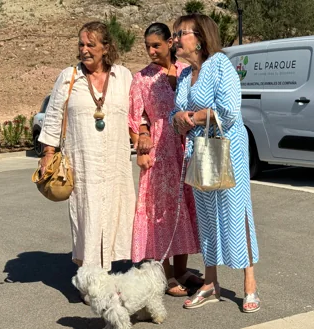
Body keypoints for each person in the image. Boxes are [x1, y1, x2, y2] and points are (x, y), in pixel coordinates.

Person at [170, 14, 261, 313]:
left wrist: (191, 117)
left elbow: (229, 111)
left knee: (236, 212)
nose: (175, 40)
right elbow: (177, 115)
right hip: (199, 150)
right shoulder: (184, 75)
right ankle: (210, 283)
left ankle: (250, 284)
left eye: (180, 33)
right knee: (206, 216)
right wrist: (178, 119)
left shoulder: (221, 65)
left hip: (226, 148)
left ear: (199, 37)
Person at [38, 22, 135, 278]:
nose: (84, 50)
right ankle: (89, 277)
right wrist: (48, 152)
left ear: (106, 48)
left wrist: (144, 136)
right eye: (81, 44)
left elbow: (137, 114)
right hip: (82, 162)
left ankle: (106, 269)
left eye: (91, 44)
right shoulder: (69, 77)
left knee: (115, 211)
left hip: (115, 162)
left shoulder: (124, 76)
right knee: (86, 214)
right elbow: (53, 116)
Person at [128, 22, 202, 297]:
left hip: (186, 149)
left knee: (184, 207)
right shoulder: (142, 78)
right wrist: (142, 144)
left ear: (171, 42)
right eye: (147, 46)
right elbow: (136, 118)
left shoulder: (187, 72)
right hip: (159, 152)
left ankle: (182, 270)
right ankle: (167, 274)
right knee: (161, 213)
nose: (151, 51)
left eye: (156, 45)